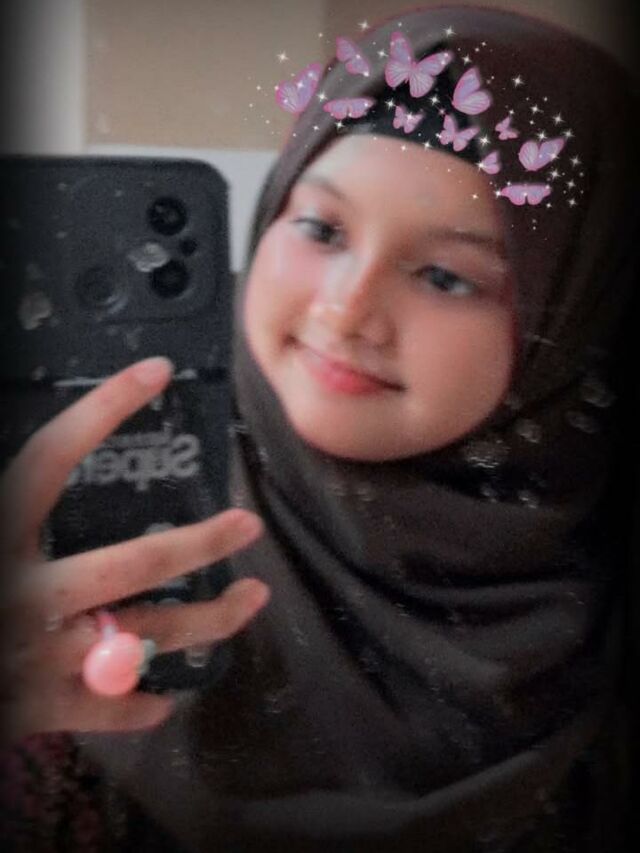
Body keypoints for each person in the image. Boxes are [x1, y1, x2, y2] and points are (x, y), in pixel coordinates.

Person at [1, 4, 638, 851]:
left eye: (446, 276)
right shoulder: (49, 522)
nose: (345, 309)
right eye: (321, 228)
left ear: (578, 323)